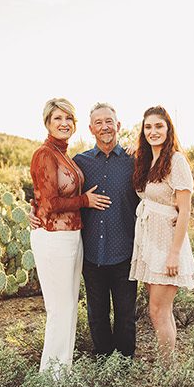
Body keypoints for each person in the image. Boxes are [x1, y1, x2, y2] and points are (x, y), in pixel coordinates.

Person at [29, 98, 110, 374]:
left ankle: (62, 373)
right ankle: (51, 380)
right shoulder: (44, 154)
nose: (64, 124)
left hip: (72, 237)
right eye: (57, 119)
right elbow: (49, 204)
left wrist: (34, 204)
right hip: (53, 238)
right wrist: (85, 201)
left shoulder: (64, 155)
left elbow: (42, 197)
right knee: (60, 311)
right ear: (47, 123)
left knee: (69, 311)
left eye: (68, 119)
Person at [130, 107, 194, 361]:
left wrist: (174, 254)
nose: (153, 132)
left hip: (168, 245)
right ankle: (168, 368)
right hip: (149, 243)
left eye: (159, 126)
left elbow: (185, 211)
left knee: (158, 311)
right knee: (160, 311)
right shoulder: (147, 161)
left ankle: (168, 371)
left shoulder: (176, 161)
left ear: (168, 129)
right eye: (148, 127)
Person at [75, 104, 141, 358]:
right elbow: (56, 192)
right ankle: (103, 362)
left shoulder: (134, 161)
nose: (105, 126)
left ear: (118, 125)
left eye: (109, 121)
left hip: (125, 250)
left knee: (126, 315)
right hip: (92, 252)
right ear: (91, 129)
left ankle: (123, 364)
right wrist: (35, 209)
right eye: (99, 122)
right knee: (96, 313)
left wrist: (141, 150)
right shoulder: (80, 163)